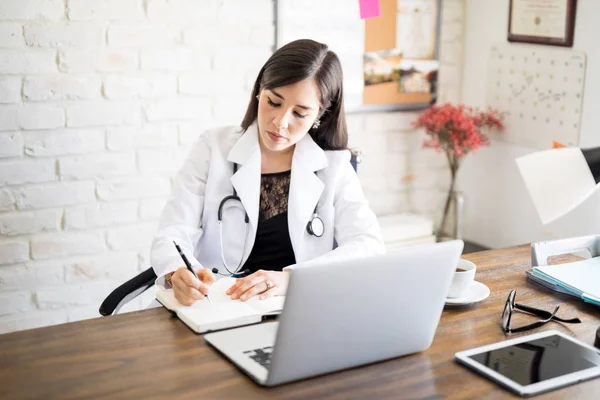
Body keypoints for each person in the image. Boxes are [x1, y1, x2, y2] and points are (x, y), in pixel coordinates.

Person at [150, 39, 384, 306]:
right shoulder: (213, 148)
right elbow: (173, 232)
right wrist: (177, 273)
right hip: (216, 304)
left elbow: (368, 246)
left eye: (300, 113)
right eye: (274, 102)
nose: (280, 122)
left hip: (296, 308)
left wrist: (290, 279)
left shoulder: (335, 165)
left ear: (320, 115)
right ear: (260, 90)